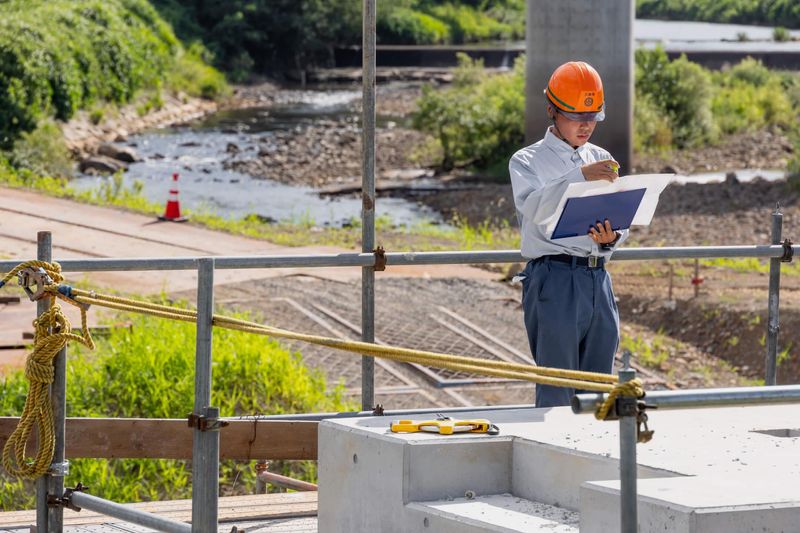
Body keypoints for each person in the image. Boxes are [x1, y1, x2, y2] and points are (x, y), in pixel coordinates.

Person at [509, 61, 628, 407]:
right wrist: (581, 176)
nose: (586, 125)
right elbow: (536, 208)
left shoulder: (602, 157)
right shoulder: (527, 160)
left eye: (593, 117)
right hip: (554, 277)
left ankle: (597, 460)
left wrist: (613, 238)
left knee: (599, 387)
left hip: (598, 277)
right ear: (552, 110)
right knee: (557, 388)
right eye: (577, 116)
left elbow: (620, 217)